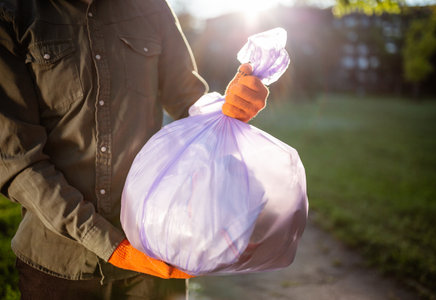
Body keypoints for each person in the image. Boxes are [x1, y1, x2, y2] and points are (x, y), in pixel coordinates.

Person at [0, 0, 268, 299]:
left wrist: (230, 108)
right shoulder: (11, 13)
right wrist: (114, 247)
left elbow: (188, 100)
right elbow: (17, 161)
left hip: (156, 250)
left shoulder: (151, 7)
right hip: (58, 264)